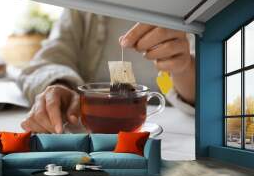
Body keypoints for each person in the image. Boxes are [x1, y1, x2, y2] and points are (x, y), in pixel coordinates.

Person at [18, 9, 195, 134]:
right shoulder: (81, 6)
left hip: (176, 137)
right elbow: (46, 61)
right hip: (90, 136)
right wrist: (59, 85)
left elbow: (216, 87)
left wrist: (184, 67)